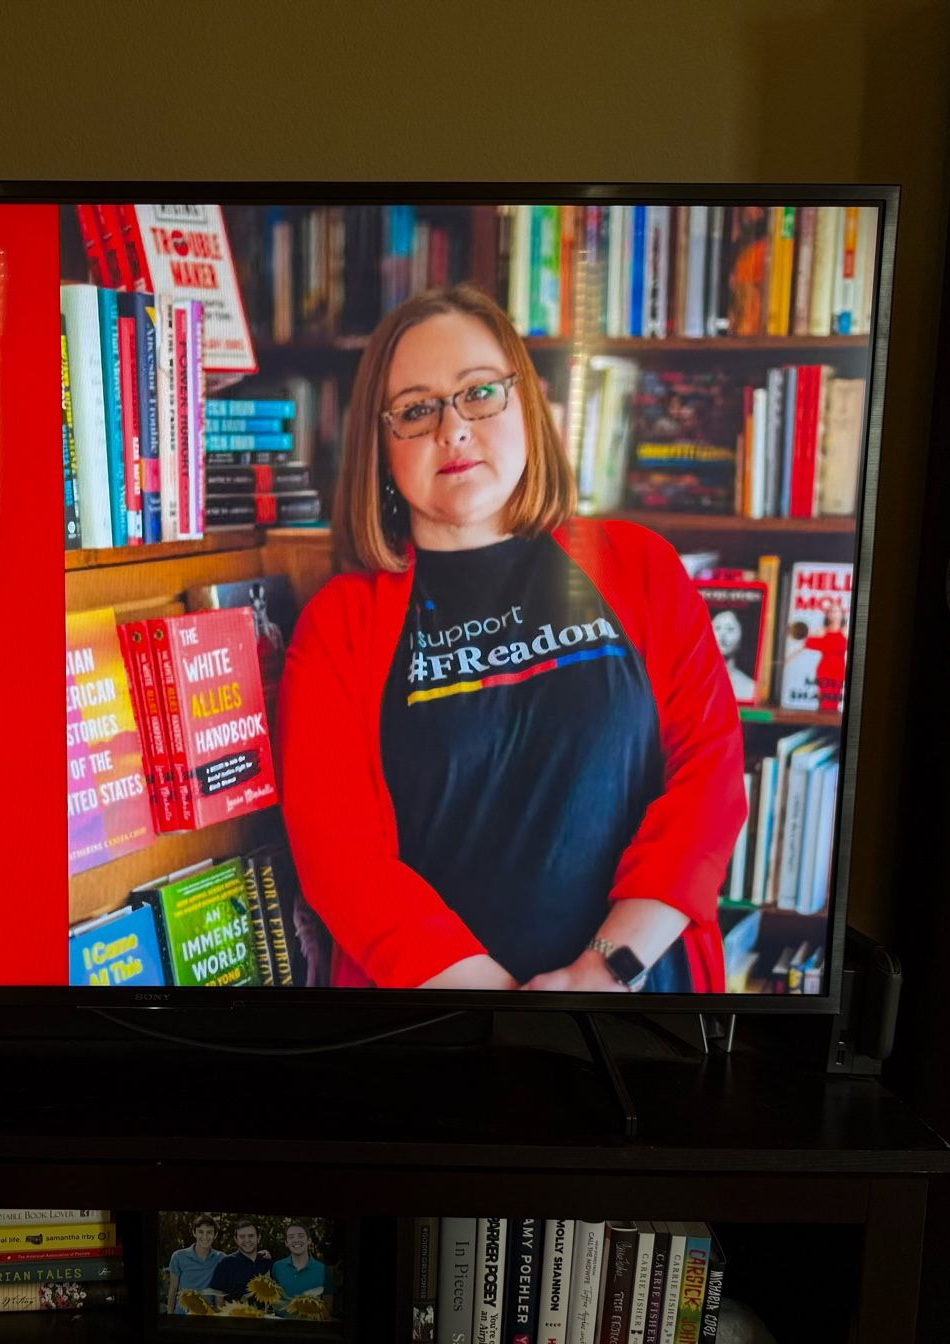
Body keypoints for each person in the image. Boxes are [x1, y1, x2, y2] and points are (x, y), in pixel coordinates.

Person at [279, 284, 747, 994]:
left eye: (479, 393)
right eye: (415, 409)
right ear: (381, 447)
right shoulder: (338, 626)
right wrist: (502, 1007)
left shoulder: (638, 566)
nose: (453, 429)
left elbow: (708, 780)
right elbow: (339, 857)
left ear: (526, 403)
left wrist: (604, 971)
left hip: (641, 1000)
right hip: (439, 1029)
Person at [166, 1216, 224, 1314]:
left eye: (209, 1232)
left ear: (215, 1234)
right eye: (201, 1232)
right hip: (181, 1316)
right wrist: (170, 1315)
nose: (205, 1237)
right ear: (194, 1233)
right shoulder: (178, 1256)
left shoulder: (221, 1258)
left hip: (207, 1316)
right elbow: (173, 1288)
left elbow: (219, 1292)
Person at [208, 1220, 274, 1300]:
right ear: (236, 1240)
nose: (247, 1240)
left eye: (251, 1236)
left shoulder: (266, 1261)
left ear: (258, 1238)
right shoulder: (226, 1263)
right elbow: (218, 1296)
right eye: (242, 1236)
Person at [270, 1222, 327, 1313]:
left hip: (311, 1324)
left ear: (309, 1240)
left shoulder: (322, 1269)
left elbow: (327, 1308)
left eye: (300, 1236)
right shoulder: (277, 1267)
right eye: (291, 1237)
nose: (296, 1240)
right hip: (281, 1325)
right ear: (286, 1243)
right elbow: (272, 1298)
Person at [711, 609, 756, 702]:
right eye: (717, 628)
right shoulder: (690, 683)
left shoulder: (750, 688)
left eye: (730, 629)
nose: (722, 635)